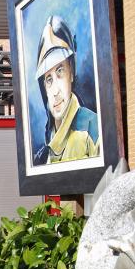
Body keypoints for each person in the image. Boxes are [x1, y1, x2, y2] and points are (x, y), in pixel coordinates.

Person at [32, 15, 100, 165]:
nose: (55, 91)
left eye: (60, 71)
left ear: (71, 72)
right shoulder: (44, 154)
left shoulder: (92, 128)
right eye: (49, 79)